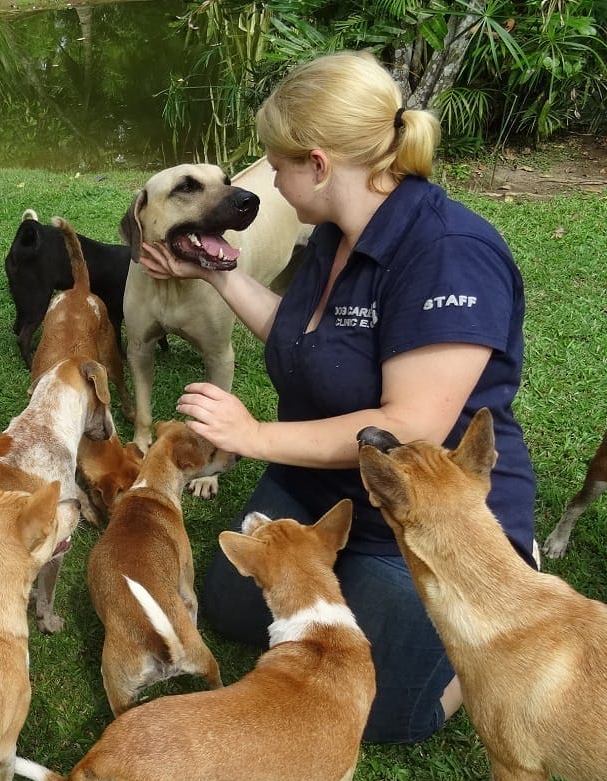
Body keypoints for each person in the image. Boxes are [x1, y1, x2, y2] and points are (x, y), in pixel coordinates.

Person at [138, 50, 536, 744]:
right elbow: (299, 335)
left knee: (382, 714)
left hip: (416, 513)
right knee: (231, 607)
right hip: (319, 481)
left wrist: (254, 436)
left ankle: (505, 587)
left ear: (317, 165)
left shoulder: (449, 253)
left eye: (276, 162)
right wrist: (211, 272)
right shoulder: (333, 235)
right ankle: (353, 579)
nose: (271, 182)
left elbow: (407, 428)